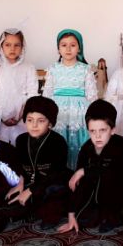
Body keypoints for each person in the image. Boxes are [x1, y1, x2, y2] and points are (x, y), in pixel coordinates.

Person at [60, 99, 123, 236]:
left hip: (113, 193)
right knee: (83, 220)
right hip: (92, 195)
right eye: (92, 131)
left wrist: (84, 171)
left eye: (103, 130)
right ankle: (95, 212)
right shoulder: (86, 148)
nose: (97, 136)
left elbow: (111, 170)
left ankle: (112, 216)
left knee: (110, 173)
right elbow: (75, 183)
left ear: (112, 130)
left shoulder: (119, 143)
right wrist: (71, 215)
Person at [9, 97, 70, 229]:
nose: (34, 125)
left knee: (53, 195)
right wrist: (20, 183)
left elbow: (55, 174)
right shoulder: (21, 140)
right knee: (9, 202)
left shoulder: (58, 142)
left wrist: (30, 191)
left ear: (50, 123)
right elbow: (19, 166)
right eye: (30, 120)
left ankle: (45, 211)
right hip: (30, 184)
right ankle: (31, 209)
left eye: (41, 121)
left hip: (51, 184)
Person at [43, 29, 98, 163]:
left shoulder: (85, 69)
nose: (68, 49)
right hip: (58, 113)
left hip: (79, 114)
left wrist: (93, 117)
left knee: (78, 143)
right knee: (59, 143)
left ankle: (78, 169)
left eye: (72, 45)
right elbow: (47, 96)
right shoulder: (53, 69)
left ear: (79, 48)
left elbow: (92, 96)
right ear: (58, 49)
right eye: (64, 45)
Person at [0, 29, 38, 143]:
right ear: (1, 46)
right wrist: (0, 117)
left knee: (20, 144)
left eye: (17, 45)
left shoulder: (28, 68)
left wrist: (20, 115)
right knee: (2, 146)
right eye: (8, 45)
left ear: (22, 47)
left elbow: (32, 93)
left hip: (22, 115)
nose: (12, 49)